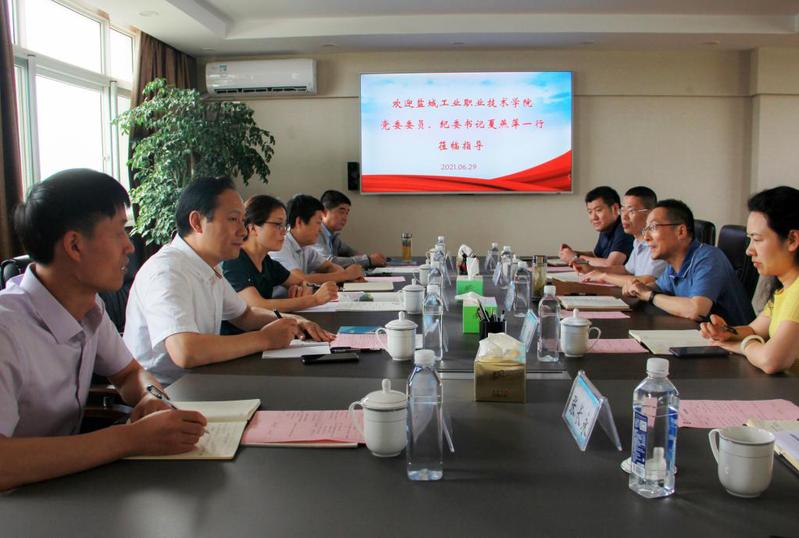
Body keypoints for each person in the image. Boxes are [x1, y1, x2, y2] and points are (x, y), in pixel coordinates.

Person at [0, 169, 207, 491]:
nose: (129, 246)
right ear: (74, 245)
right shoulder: (7, 330)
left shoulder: (89, 307)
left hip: (61, 487)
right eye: (120, 232)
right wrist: (130, 439)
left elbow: (129, 373)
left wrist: (149, 397)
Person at [124, 177, 333, 385]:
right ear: (197, 222)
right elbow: (186, 351)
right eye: (233, 219)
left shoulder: (208, 266)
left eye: (243, 221)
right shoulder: (167, 270)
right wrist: (264, 338)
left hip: (201, 380)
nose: (243, 231)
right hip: (167, 392)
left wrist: (293, 321)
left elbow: (245, 314)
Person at [700, 186, 799, 374]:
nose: (749, 250)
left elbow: (772, 361)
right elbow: (755, 330)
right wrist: (727, 332)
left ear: (792, 239)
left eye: (757, 239)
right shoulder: (785, 288)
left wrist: (744, 345)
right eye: (749, 239)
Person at [625, 199, 755, 326]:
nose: (646, 237)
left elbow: (697, 310)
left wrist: (650, 295)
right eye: (646, 229)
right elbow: (657, 288)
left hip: (734, 339)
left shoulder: (709, 258)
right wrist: (636, 287)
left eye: (653, 227)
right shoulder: (673, 264)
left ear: (681, 231)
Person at [223, 195, 338, 315]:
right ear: (253, 228)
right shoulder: (234, 260)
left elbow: (302, 282)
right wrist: (314, 299)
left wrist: (301, 288)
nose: (284, 232)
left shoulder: (267, 262)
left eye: (284, 225)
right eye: (277, 225)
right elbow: (257, 305)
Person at [270, 194, 364, 297]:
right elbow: (299, 280)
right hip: (278, 305)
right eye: (318, 223)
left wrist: (346, 278)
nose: (320, 230)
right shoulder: (281, 245)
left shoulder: (305, 248)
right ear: (299, 222)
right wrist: (345, 275)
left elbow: (329, 266)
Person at [579, 186, 668, 286]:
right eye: (623, 210)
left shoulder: (659, 244)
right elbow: (626, 270)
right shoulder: (638, 241)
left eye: (631, 211)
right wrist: (592, 269)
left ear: (650, 214)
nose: (624, 216)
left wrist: (603, 276)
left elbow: (648, 281)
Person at [559, 186, 634, 267]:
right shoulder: (606, 227)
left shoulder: (624, 228)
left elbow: (611, 264)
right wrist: (572, 253)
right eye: (590, 212)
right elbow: (596, 256)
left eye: (598, 210)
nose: (593, 217)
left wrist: (575, 258)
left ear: (615, 208)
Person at [314, 190, 386, 268]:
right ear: (324, 212)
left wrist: (372, 258)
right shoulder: (314, 233)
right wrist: (368, 260)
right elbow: (328, 262)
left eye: (347, 213)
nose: (345, 218)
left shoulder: (332, 236)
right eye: (341, 212)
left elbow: (349, 251)